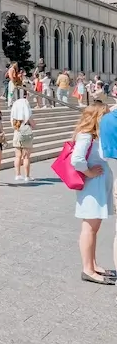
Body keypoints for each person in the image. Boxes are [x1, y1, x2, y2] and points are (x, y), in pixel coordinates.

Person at [71, 102, 115, 285]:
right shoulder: (86, 135)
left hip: (97, 185)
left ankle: (92, 263)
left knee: (93, 227)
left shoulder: (94, 135)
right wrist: (89, 172)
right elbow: (77, 159)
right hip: (91, 186)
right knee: (89, 227)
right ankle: (87, 269)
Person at [10, 97, 36, 182]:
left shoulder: (15, 117)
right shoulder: (27, 116)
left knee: (17, 156)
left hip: (17, 134)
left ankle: (17, 174)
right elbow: (33, 125)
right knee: (26, 157)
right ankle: (27, 176)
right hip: (26, 134)